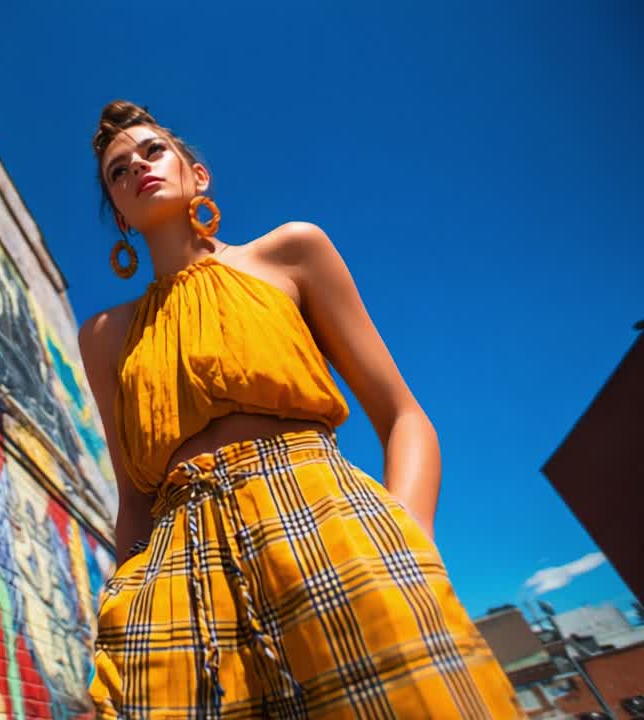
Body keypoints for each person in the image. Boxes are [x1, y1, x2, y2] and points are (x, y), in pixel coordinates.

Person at [77, 100, 525, 719]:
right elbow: (133, 499)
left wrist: (409, 541)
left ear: (198, 175)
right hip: (178, 567)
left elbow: (402, 416)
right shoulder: (104, 336)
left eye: (153, 150)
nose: (138, 168)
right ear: (119, 214)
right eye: (118, 171)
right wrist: (126, 595)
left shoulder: (291, 253)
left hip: (326, 520)